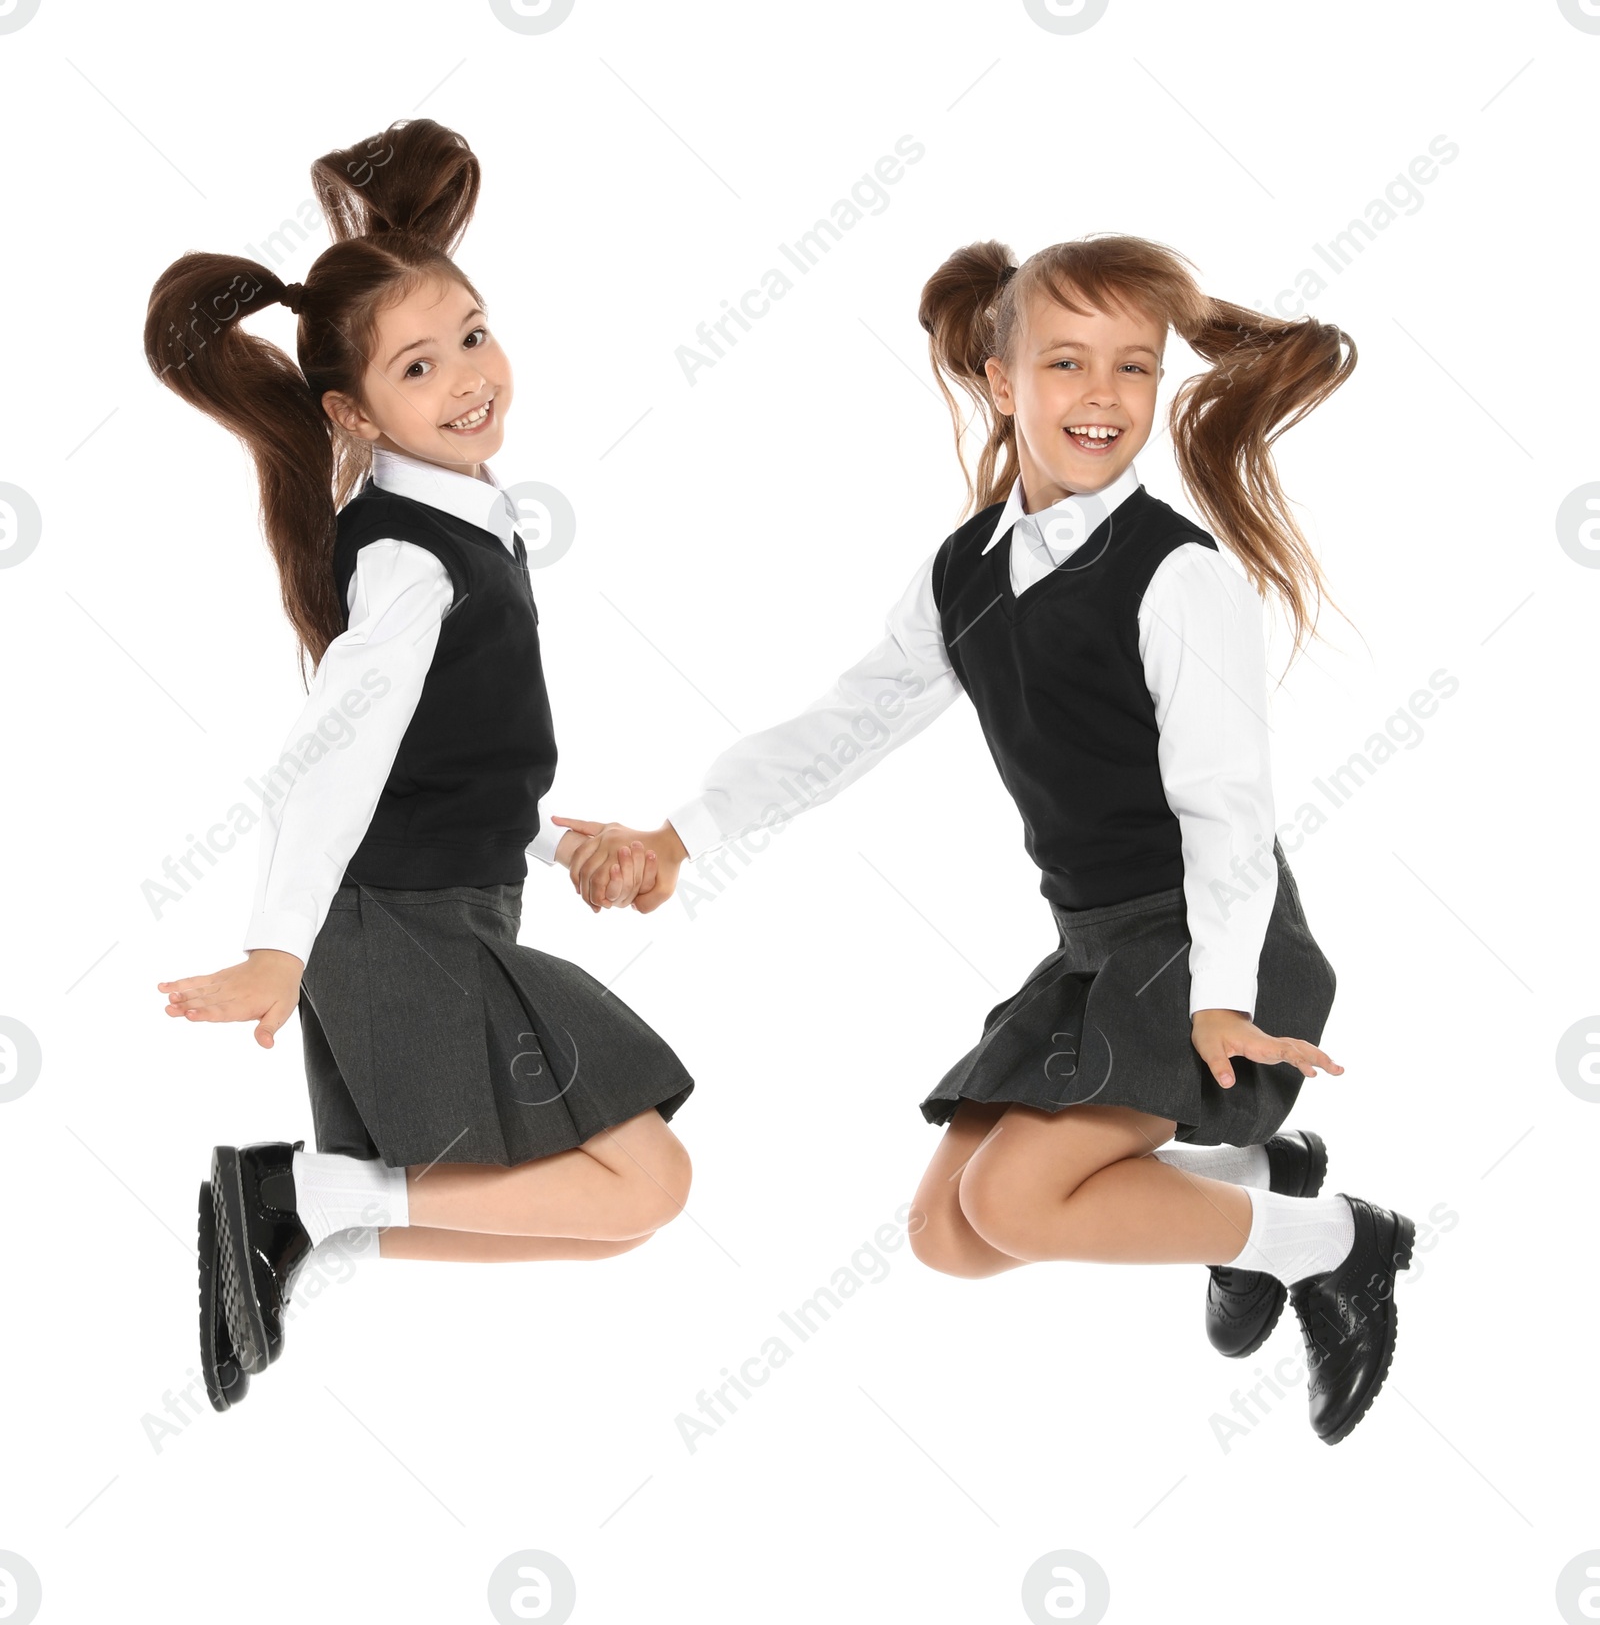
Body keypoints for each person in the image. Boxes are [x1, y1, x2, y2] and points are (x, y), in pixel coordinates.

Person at [560, 236, 1412, 1445]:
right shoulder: (968, 569)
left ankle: (1339, 1245)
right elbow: (847, 719)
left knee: (1017, 1196)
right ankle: (1261, 1190)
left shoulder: (1175, 576)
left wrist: (1221, 997)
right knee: (949, 1233)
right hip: (1096, 948)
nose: (1104, 395)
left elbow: (1229, 809)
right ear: (1003, 382)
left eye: (1132, 366)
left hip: (1207, 939)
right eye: (1066, 362)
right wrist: (683, 832)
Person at [145, 118, 694, 1412]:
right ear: (352, 411)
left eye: (473, 333)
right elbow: (330, 755)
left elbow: (448, 758)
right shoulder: (404, 558)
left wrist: (564, 845)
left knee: (613, 1215)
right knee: (649, 1183)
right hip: (395, 929)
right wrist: (277, 942)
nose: (468, 376)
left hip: (445, 910)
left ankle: (304, 1218)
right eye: (417, 364)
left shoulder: (468, 520)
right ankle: (297, 1197)